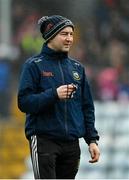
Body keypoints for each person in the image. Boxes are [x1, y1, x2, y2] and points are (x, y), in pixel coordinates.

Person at [18, 15, 100, 179]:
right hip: (44, 141)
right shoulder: (33, 65)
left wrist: (92, 140)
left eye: (71, 34)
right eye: (64, 34)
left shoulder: (78, 68)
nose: (69, 38)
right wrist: (54, 94)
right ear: (51, 36)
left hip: (71, 145)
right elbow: (24, 102)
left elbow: (87, 107)